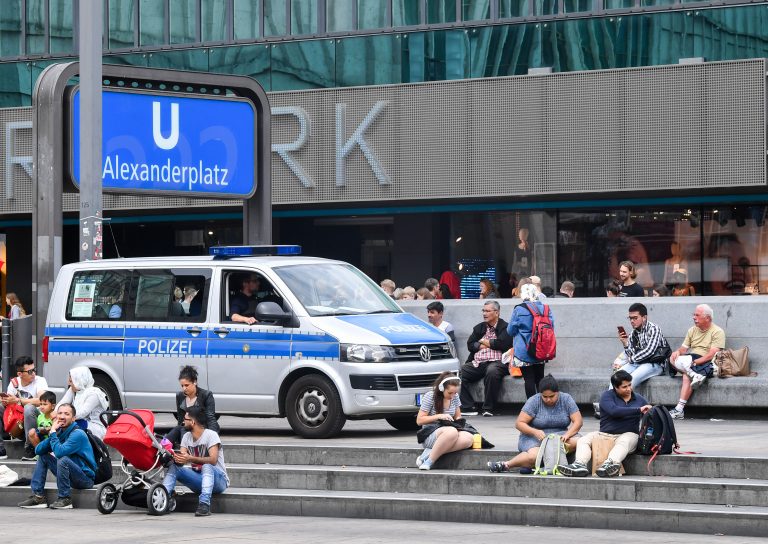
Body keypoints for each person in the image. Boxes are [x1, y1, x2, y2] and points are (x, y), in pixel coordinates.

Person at [558, 370, 651, 478]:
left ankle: (610, 464)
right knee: (583, 440)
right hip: (605, 434)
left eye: (630, 385)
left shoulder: (640, 399)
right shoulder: (607, 396)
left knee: (624, 441)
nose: (629, 389)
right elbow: (614, 411)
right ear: (615, 387)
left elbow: (650, 416)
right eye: (624, 387)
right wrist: (639, 410)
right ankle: (579, 465)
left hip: (629, 435)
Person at [487, 375, 582, 473]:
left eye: (552, 396)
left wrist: (568, 434)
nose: (548, 399)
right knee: (534, 456)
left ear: (557, 392)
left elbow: (578, 421)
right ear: (540, 394)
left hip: (559, 436)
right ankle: (506, 464)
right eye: (545, 396)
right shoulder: (534, 400)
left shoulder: (566, 399)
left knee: (580, 442)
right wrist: (534, 432)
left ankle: (540, 463)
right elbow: (519, 423)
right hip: (534, 437)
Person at [18, 403, 96, 509]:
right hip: (70, 475)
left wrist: (53, 432)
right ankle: (38, 497)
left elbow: (60, 453)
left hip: (85, 479)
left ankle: (65, 498)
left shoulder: (78, 434)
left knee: (63, 459)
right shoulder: (59, 432)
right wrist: (53, 433)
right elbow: (38, 450)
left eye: (66, 414)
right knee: (44, 456)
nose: (62, 416)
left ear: (73, 418)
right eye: (60, 413)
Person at [163, 406, 230, 516]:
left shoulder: (211, 435)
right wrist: (173, 457)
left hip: (219, 481)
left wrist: (190, 458)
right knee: (174, 468)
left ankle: (204, 504)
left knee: (207, 466)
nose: (183, 422)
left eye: (185, 419)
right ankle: (164, 498)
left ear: (193, 422)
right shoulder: (186, 437)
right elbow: (182, 461)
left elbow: (213, 460)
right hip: (199, 479)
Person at [667, 304, 725, 420]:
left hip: (705, 362)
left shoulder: (718, 331)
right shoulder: (692, 330)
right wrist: (677, 352)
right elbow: (683, 349)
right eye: (694, 315)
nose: (694, 317)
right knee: (671, 359)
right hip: (691, 360)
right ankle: (695, 375)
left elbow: (711, 354)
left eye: (697, 315)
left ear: (707, 318)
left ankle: (679, 409)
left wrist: (695, 363)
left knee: (685, 375)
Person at [459, 301, 512, 417]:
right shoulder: (479, 327)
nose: (484, 313)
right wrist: (481, 345)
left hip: (498, 362)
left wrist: (482, 341)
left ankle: (489, 408)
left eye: (487, 311)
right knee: (460, 373)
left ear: (496, 313)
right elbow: (470, 344)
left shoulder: (506, 327)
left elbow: (502, 344)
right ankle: (468, 406)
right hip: (479, 362)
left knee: (492, 371)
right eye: (483, 310)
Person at [415, 373, 472, 471]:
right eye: (450, 393)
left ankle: (427, 454)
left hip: (449, 433)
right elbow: (419, 420)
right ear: (442, 388)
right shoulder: (430, 396)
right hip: (431, 435)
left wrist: (458, 421)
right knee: (451, 431)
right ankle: (429, 462)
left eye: (455, 393)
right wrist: (439, 416)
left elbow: (458, 416)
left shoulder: (455, 397)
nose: (452, 396)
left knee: (469, 439)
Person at [507, 284, 555, 399]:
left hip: (524, 350)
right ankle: (543, 405)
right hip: (541, 347)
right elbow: (551, 327)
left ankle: (532, 406)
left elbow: (510, 330)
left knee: (528, 379)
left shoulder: (519, 309)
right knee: (540, 378)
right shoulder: (546, 308)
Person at [0, 356, 49, 460]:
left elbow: (42, 401)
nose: (34, 373)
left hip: (36, 428)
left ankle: (30, 446)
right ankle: (1, 447)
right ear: (20, 374)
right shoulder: (14, 383)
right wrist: (6, 402)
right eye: (30, 371)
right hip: (18, 426)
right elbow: (9, 406)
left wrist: (18, 401)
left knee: (28, 408)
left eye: (34, 370)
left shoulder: (40, 381)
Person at [615, 303, 669, 388]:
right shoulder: (633, 333)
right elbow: (631, 354)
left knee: (630, 380)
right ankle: (610, 400)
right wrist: (625, 343)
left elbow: (650, 351)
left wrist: (632, 359)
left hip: (655, 364)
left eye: (635, 318)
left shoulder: (653, 328)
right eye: (630, 318)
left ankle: (620, 400)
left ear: (644, 317)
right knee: (616, 378)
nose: (632, 321)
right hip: (638, 363)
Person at [165, 365, 219, 447]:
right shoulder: (180, 396)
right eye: (182, 386)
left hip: (201, 430)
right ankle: (162, 446)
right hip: (186, 428)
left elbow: (211, 418)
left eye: (187, 385)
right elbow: (180, 418)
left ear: (195, 382)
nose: (184, 389)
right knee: (179, 429)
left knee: (184, 431)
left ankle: (185, 451)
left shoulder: (206, 395)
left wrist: (213, 438)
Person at [56, 367, 109, 439]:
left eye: (71, 381)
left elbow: (82, 413)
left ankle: (62, 447)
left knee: (69, 424)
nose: (68, 383)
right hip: (79, 422)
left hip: (95, 426)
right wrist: (56, 413)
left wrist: (63, 417)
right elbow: (62, 403)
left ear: (80, 381)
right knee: (62, 422)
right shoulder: (75, 389)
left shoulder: (94, 394)